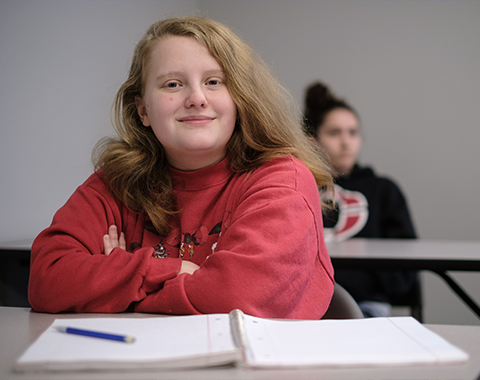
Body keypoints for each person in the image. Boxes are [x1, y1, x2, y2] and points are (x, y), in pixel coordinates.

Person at [28, 17, 335, 319]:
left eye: (214, 82)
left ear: (241, 99)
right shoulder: (116, 182)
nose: (197, 99)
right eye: (173, 84)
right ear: (143, 110)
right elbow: (47, 278)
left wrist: (119, 283)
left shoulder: (283, 180)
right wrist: (169, 269)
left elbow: (236, 297)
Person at [303, 81, 418, 318]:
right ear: (312, 140)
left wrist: (372, 282)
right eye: (334, 133)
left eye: (353, 133)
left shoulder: (384, 190)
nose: (346, 142)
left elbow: (407, 260)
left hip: (369, 304)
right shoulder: (298, 186)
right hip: (308, 302)